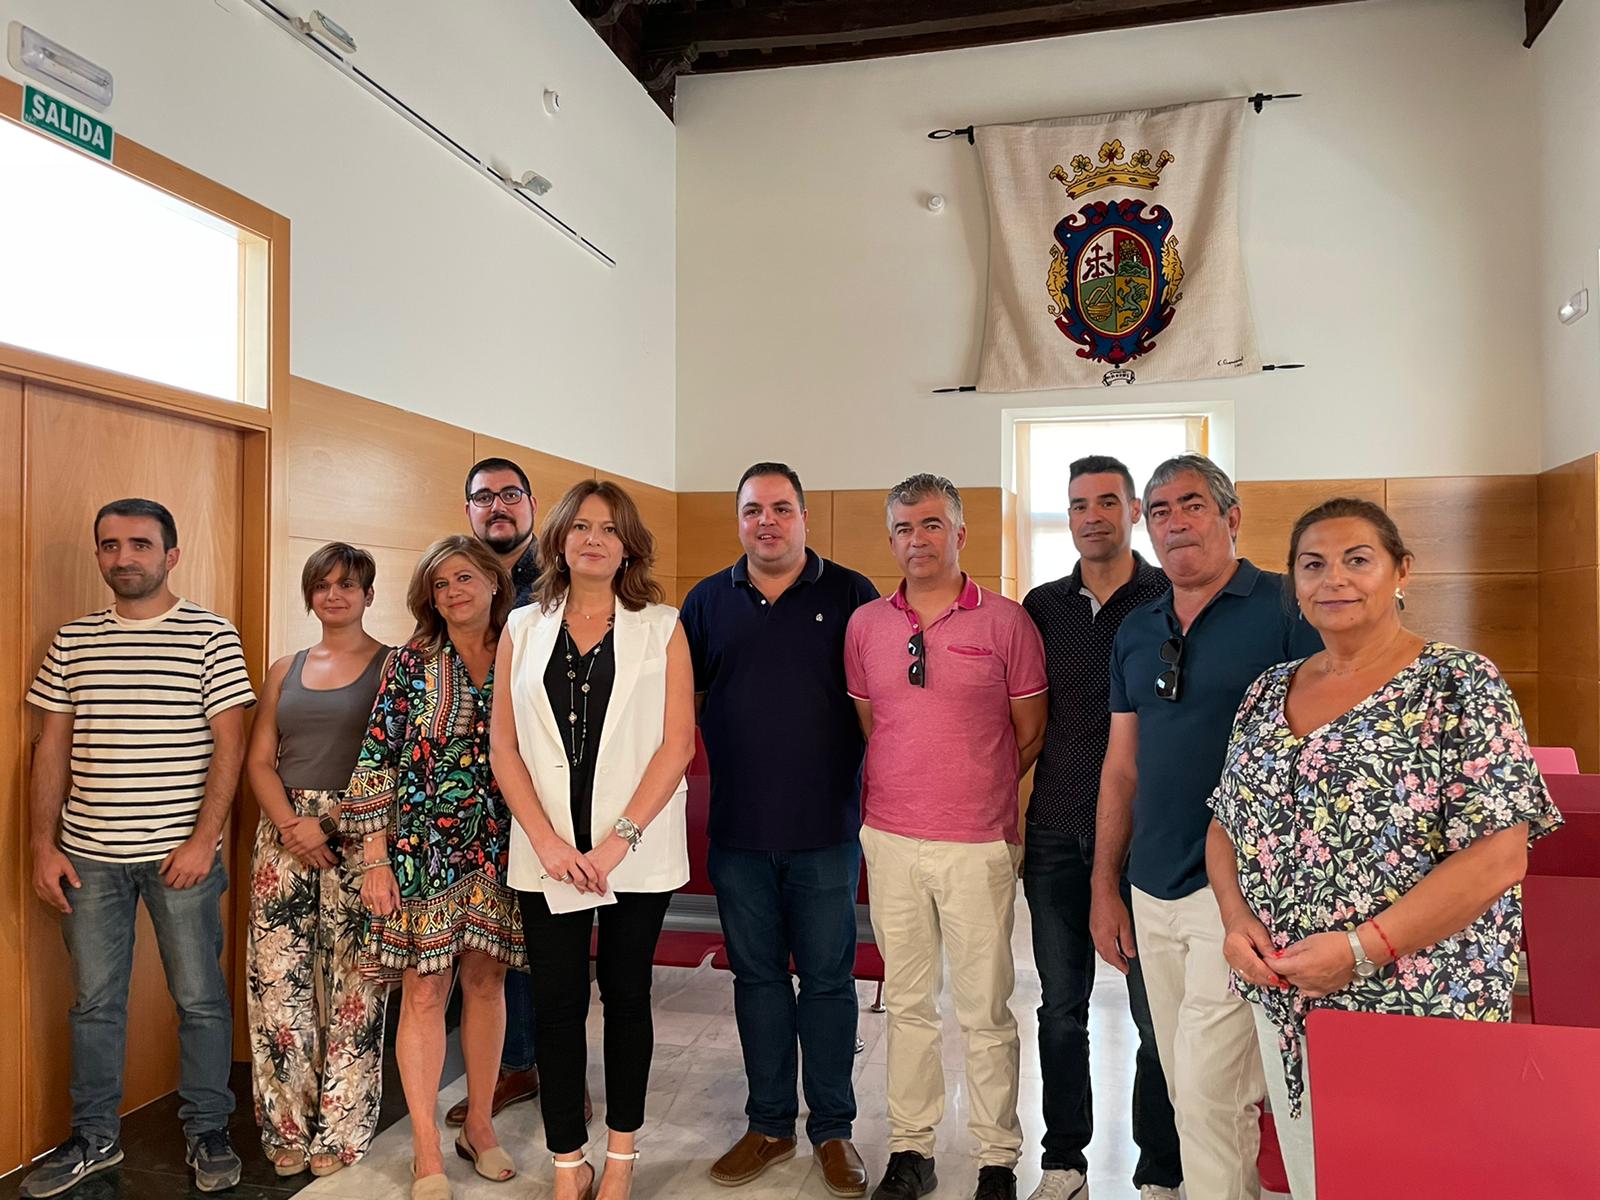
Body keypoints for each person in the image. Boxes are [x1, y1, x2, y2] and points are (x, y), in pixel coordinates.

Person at [1205, 497, 1562, 1197]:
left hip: (1419, 1002)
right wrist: (1234, 918)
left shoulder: (1460, 684)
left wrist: (1363, 949)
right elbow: (1224, 823)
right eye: (1313, 565)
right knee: (1316, 1175)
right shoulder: (1267, 692)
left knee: (1413, 1177)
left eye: (1357, 560)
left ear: (1402, 571)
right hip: (1290, 996)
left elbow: (1499, 855)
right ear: (1295, 586)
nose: (1334, 578)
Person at [1089, 454, 1321, 1200]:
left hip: (1241, 896)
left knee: (1213, 1088)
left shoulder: (1288, 610)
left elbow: (1322, 758)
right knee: (1187, 1081)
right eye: (1158, 511)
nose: (1174, 521)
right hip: (1151, 887)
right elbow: (1121, 768)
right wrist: (1105, 884)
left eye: (1191, 504)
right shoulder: (1135, 629)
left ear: (1231, 517)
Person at [24, 498, 255, 1197]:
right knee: (94, 1003)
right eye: (110, 545)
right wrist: (43, 843)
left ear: (171, 555)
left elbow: (231, 745)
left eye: (140, 545)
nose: (123, 558)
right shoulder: (72, 640)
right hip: (87, 855)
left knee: (200, 1000)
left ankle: (207, 1131)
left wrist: (204, 839)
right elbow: (51, 748)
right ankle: (94, 1139)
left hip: (180, 857)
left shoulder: (211, 635)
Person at [844, 473, 1048, 1200]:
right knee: (907, 1003)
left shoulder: (1007, 623)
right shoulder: (866, 624)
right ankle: (912, 1148)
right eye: (903, 527)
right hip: (891, 838)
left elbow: (1028, 735)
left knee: (985, 1007)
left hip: (980, 844)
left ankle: (997, 1156)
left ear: (961, 534)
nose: (916, 539)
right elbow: (877, 726)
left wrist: (970, 785)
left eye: (931, 525)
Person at [492, 479, 696, 1200]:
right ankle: (566, 1160)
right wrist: (547, 843)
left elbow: (676, 746)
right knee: (555, 1003)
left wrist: (616, 844)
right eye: (580, 526)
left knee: (627, 995)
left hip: (632, 853)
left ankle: (621, 1156)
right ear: (559, 540)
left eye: (609, 528)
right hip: (548, 852)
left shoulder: (662, 625)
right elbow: (503, 748)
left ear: (628, 544)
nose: (594, 539)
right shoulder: (522, 628)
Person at [680, 462, 878, 1198]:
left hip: (826, 830)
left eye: (782, 508)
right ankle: (768, 1123)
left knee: (828, 983)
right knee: (759, 981)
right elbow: (683, 705)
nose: (768, 521)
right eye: (753, 509)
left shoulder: (852, 594)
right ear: (738, 519)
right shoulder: (706, 601)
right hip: (737, 833)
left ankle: (834, 1132)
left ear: (803, 518)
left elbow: (874, 703)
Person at [342, 535, 525, 1200]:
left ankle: (479, 1124)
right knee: (425, 989)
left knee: (486, 982)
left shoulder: (523, 650)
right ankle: (425, 1147)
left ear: (494, 583)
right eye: (441, 584)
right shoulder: (410, 662)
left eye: (465, 578)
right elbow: (376, 756)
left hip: (503, 845)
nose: (454, 592)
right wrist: (373, 858)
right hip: (421, 852)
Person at [1021, 457, 1181, 1200]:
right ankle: (1064, 1161)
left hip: (1150, 841)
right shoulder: (1042, 606)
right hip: (1056, 829)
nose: (1093, 516)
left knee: (1157, 1016)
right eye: (1079, 503)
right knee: (1061, 1009)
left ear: (1135, 513)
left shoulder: (1170, 596)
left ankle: (1159, 1170)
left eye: (1108, 501)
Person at [244, 542, 391, 1178]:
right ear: (309, 594)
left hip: (364, 835)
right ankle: (285, 1126)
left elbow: (396, 759)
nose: (334, 595)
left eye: (348, 585)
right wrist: (291, 826)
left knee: (354, 986)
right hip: (283, 837)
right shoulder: (284, 667)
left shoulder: (395, 665)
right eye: (323, 585)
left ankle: (342, 1128)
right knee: (279, 985)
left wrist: (332, 824)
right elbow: (258, 758)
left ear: (368, 594)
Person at [449, 456, 544, 1127]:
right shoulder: (455, 577)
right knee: (489, 940)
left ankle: (551, 1064)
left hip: (549, 787)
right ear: (469, 511)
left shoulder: (562, 578)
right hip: (469, 796)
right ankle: (512, 1066)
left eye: (509, 495)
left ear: (532, 505)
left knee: (550, 938)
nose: (497, 506)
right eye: (484, 497)